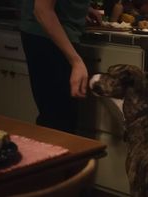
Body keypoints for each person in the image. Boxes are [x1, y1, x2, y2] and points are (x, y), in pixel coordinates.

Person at [20, 0, 102, 134]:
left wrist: (81, 9)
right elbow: (43, 11)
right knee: (58, 123)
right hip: (48, 39)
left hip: (51, 36)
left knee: (61, 120)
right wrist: (76, 61)